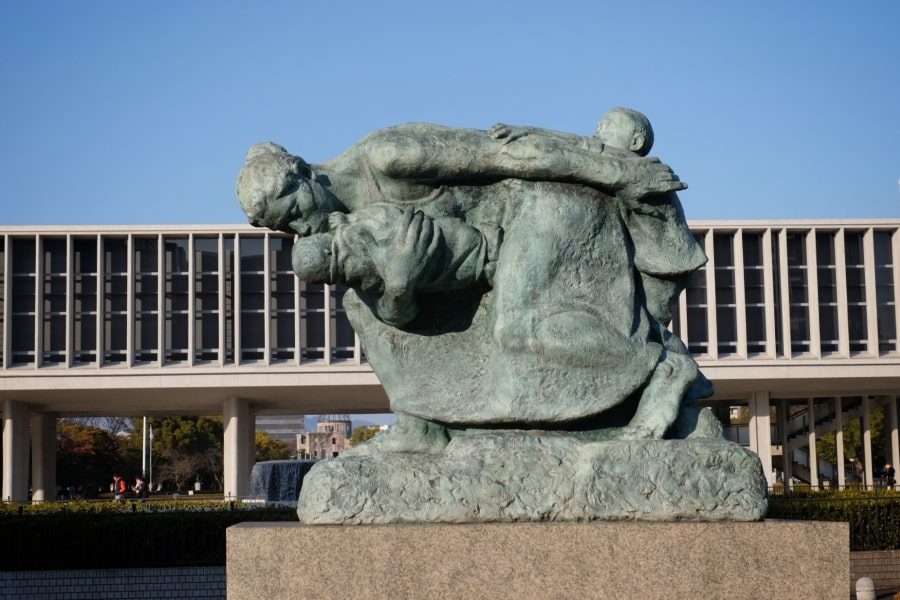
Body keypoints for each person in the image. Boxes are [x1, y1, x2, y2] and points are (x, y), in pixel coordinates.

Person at [236, 121, 698, 440]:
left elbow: (509, 153)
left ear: (303, 175)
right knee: (357, 304)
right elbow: (394, 313)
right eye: (286, 229)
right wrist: (400, 283)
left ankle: (662, 369)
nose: (300, 231)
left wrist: (621, 172)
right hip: (485, 264)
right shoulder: (342, 231)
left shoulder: (389, 156)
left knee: (519, 330)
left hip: (539, 212)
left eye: (294, 215)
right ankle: (424, 427)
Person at [293, 203, 502, 327]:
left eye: (341, 264)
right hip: (481, 270)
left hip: (486, 245)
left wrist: (349, 220)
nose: (346, 275)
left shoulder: (369, 222)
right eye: (337, 277)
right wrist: (397, 288)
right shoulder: (367, 286)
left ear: (331, 247)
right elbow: (393, 316)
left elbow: (402, 219)